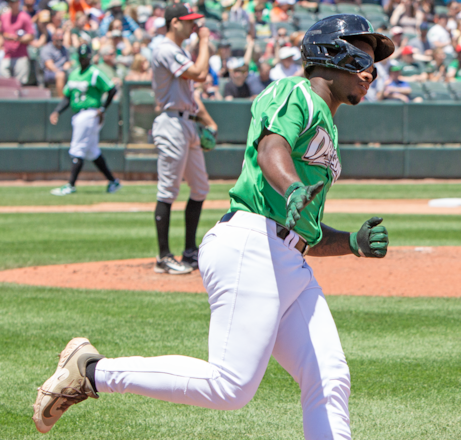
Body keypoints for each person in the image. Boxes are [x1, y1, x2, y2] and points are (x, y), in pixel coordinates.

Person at [32, 14, 392, 440]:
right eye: (362, 59)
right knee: (230, 387)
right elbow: (271, 147)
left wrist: (351, 242)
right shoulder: (294, 92)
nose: (371, 72)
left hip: (287, 262)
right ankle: (93, 371)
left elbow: (304, 231)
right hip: (251, 246)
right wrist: (293, 185)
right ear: (330, 54)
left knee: (330, 378)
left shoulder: (327, 123)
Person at [148, 4, 218, 275]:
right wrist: (204, 42)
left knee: (200, 188)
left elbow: (191, 94)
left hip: (187, 122)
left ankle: (189, 251)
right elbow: (200, 74)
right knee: (168, 190)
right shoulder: (164, 49)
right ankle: (163, 257)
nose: (193, 26)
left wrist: (207, 121)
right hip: (171, 124)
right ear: (174, 22)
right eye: (188, 22)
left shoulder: (177, 51)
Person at [48, 44, 120, 197]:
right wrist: (57, 111)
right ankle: (113, 181)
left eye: (85, 58)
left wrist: (103, 108)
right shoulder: (74, 74)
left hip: (90, 113)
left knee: (77, 148)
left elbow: (112, 89)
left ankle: (71, 185)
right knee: (92, 151)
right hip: (78, 114)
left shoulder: (94, 73)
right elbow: (68, 97)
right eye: (81, 58)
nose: (83, 60)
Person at [0, 0, 34, 84]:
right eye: (10, 2)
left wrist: (16, 38)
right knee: (5, 83)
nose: (11, 4)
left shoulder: (24, 17)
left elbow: (31, 36)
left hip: (21, 55)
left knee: (19, 84)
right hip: (7, 55)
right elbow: (1, 34)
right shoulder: (4, 17)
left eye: (13, 2)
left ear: (18, 2)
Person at [39, 29, 71, 97]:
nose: (60, 38)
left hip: (63, 71)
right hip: (49, 72)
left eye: (62, 36)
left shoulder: (65, 49)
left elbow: (68, 61)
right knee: (60, 75)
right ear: (53, 37)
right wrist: (60, 71)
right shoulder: (47, 49)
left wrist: (68, 64)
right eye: (58, 35)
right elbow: (49, 65)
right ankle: (61, 100)